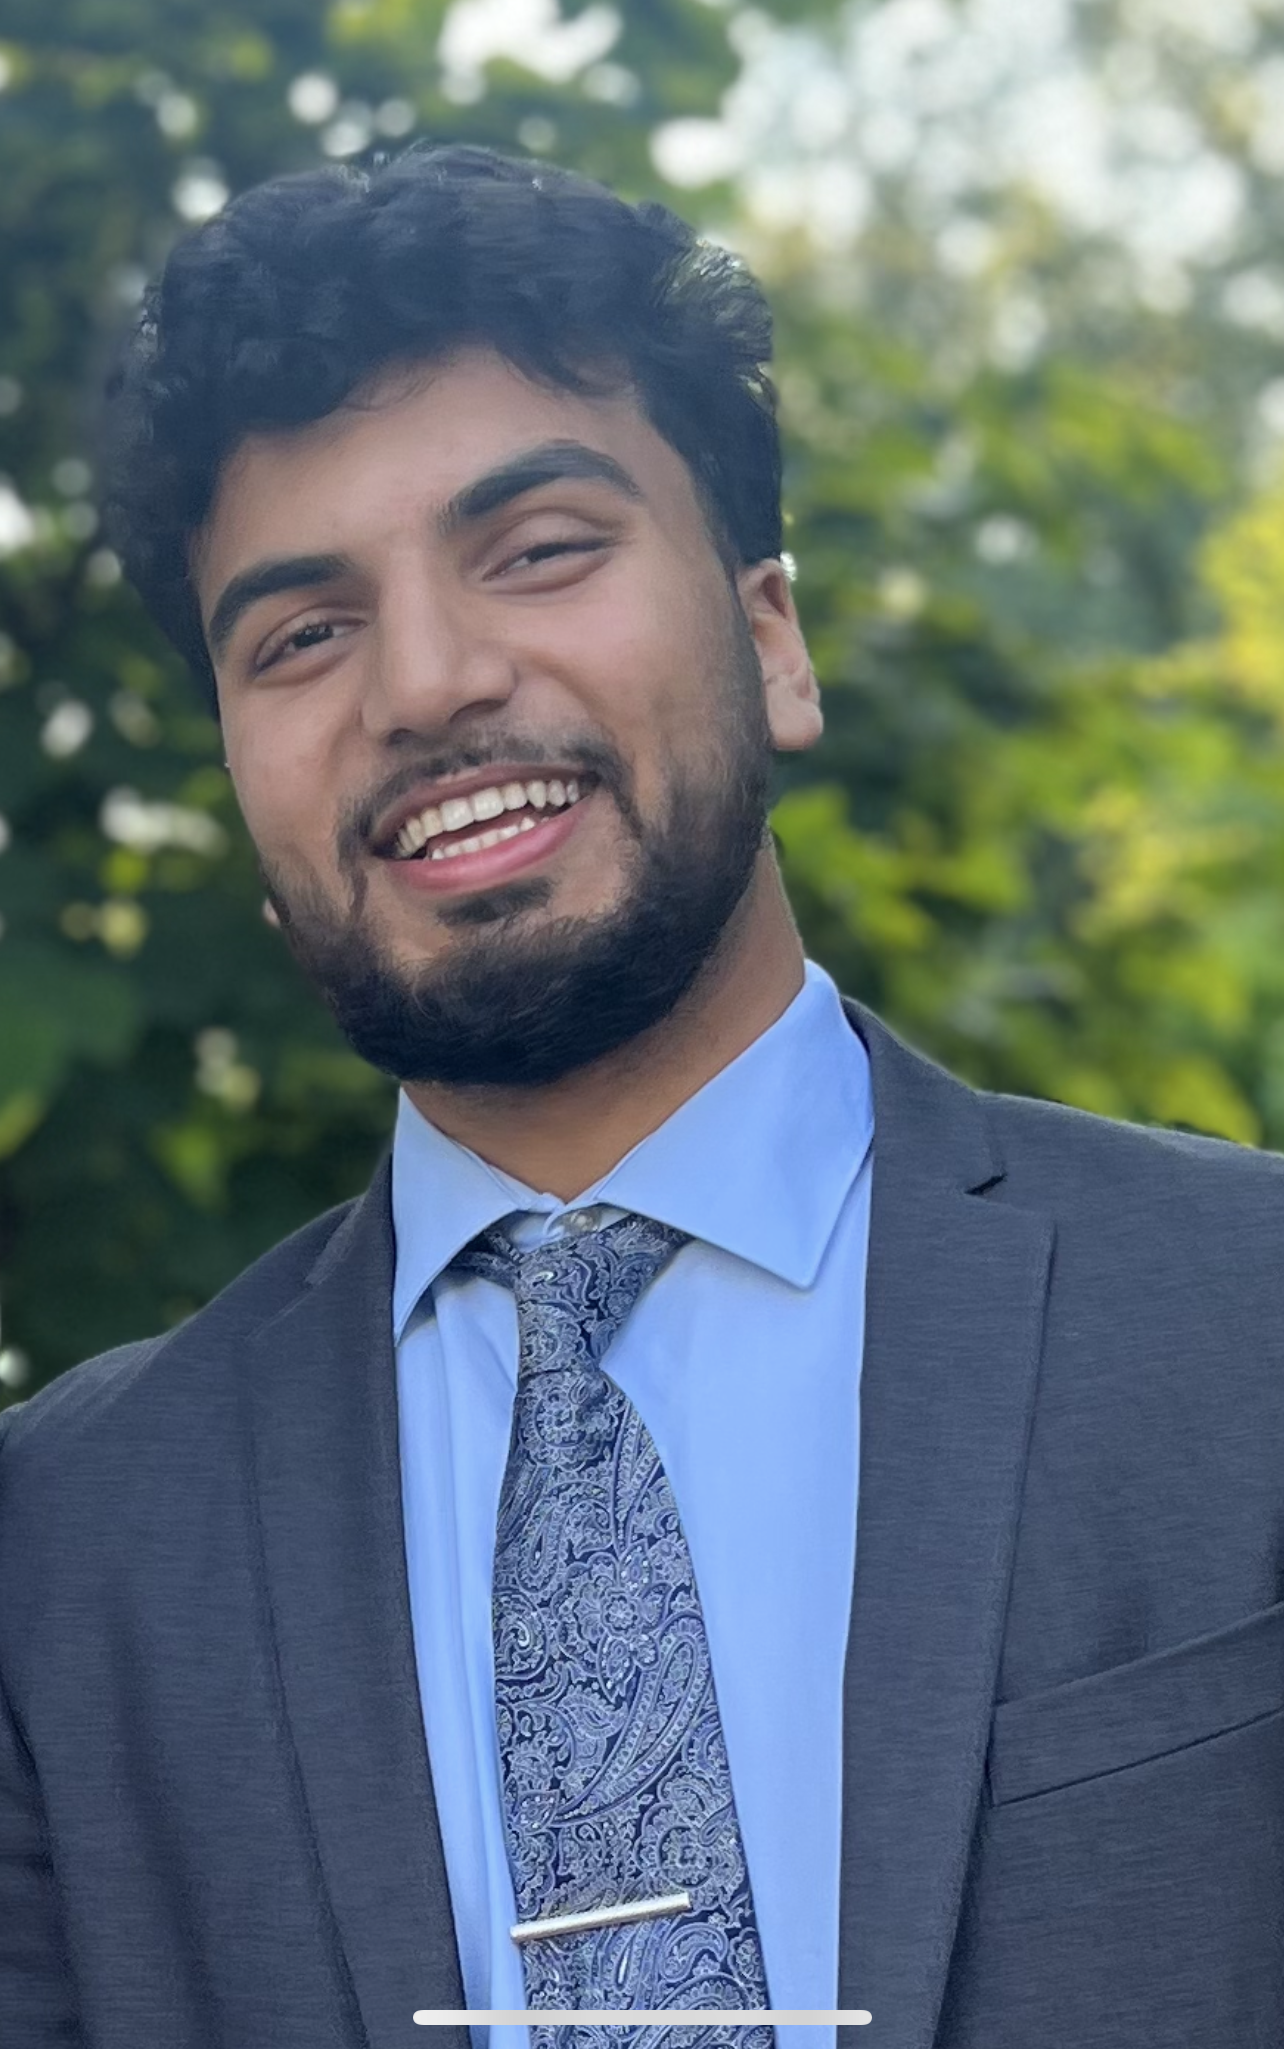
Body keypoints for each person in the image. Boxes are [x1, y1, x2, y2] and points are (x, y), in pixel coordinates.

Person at [1, 141, 1282, 2049]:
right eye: (301, 634)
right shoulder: (62, 1550)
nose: (425, 682)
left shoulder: (1250, 1317)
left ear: (772, 639)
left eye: (538, 548)